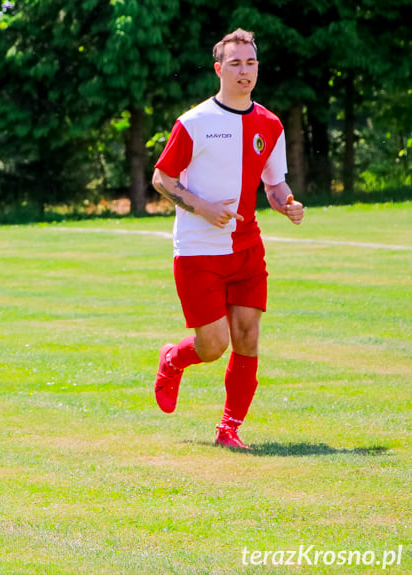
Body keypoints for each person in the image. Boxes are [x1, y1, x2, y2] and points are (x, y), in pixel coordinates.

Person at [151, 29, 304, 449]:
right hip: (199, 250)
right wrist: (203, 207)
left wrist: (287, 203)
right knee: (213, 345)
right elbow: (161, 178)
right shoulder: (194, 122)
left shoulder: (270, 124)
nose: (244, 71)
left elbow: (275, 186)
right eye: (235, 63)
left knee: (248, 336)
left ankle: (229, 428)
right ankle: (173, 359)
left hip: (247, 248)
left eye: (250, 62)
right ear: (219, 69)